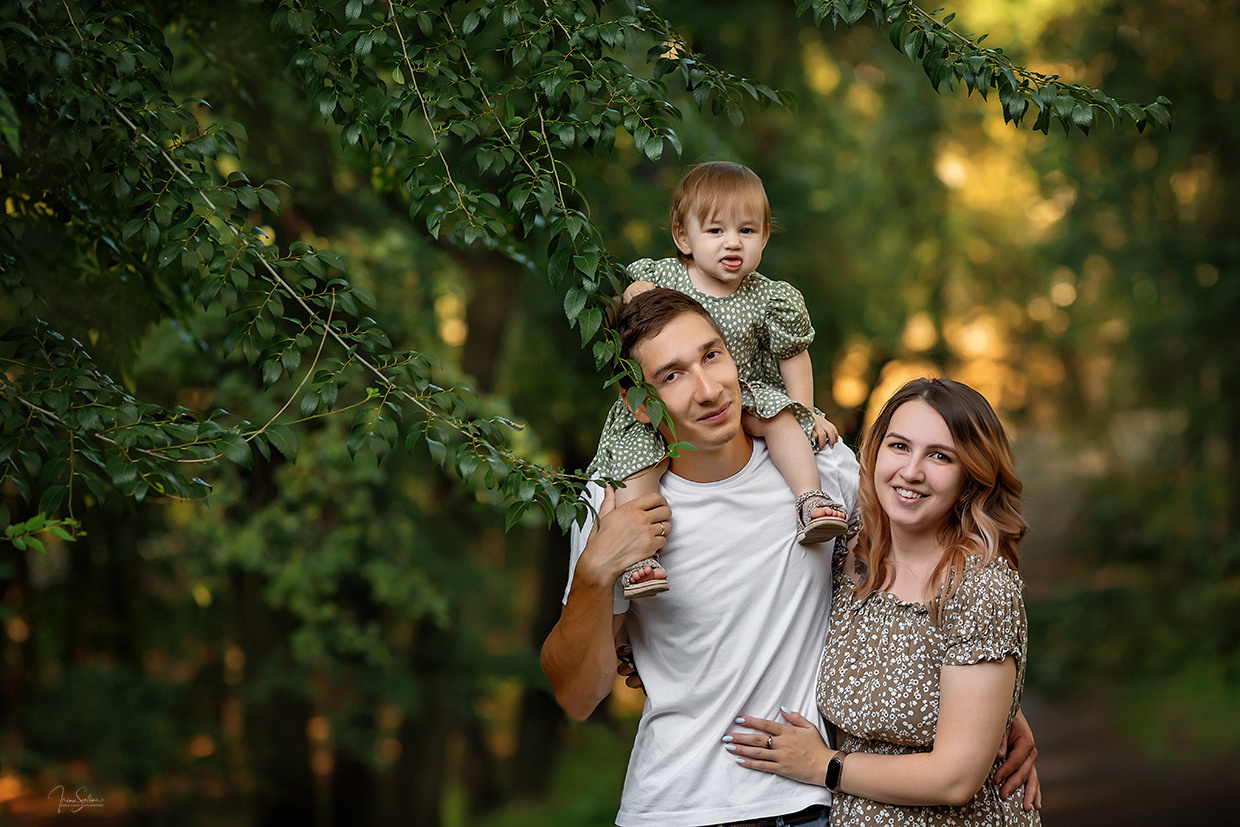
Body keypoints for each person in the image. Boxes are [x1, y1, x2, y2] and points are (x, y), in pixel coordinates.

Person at [541, 290, 1038, 827]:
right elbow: (577, 697)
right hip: (673, 805)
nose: (709, 390)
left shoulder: (822, 472)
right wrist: (594, 572)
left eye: (712, 355)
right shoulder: (614, 507)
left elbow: (913, 588)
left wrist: (992, 710)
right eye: (672, 376)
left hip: (809, 807)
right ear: (637, 402)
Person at [722, 377, 1043, 824]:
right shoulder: (844, 561)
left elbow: (955, 778)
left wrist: (823, 764)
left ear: (971, 474)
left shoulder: (979, 588)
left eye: (939, 456)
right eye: (899, 446)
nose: (911, 471)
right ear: (873, 453)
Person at [589, 161, 847, 600]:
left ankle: (810, 499)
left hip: (742, 394)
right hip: (674, 406)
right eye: (715, 232)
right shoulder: (663, 278)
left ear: (765, 236)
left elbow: (793, 357)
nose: (733, 243)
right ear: (683, 237)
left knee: (780, 419)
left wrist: (806, 414)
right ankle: (638, 555)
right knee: (641, 454)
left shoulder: (769, 297)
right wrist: (631, 294)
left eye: (747, 231)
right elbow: (624, 313)